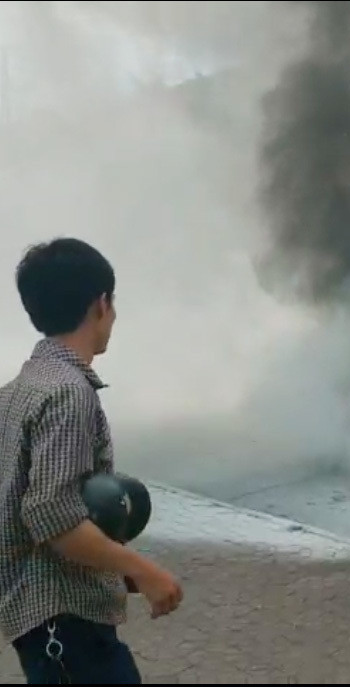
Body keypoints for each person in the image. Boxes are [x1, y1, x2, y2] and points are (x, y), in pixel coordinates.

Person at [0, 238, 184, 683]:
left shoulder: (16, 392)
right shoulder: (67, 393)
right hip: (67, 628)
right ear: (100, 304)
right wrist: (145, 570)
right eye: (113, 303)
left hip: (42, 623)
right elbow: (52, 515)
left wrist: (112, 575)